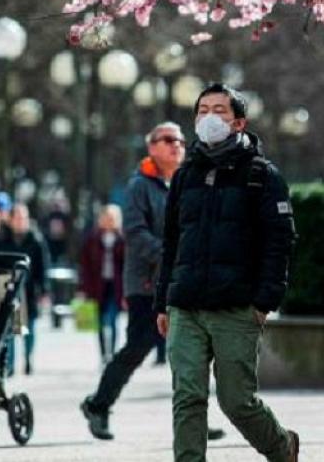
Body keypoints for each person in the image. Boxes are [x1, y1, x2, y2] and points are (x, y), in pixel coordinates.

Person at [155, 84, 300, 462]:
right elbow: (171, 242)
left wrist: (264, 301)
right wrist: (163, 302)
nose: (209, 117)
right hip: (185, 305)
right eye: (202, 110)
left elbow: (280, 241)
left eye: (219, 110)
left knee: (236, 401)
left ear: (239, 122)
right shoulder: (186, 175)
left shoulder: (262, 175)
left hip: (236, 307)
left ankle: (281, 447)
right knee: (188, 395)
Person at [80, 122, 225, 442]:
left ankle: (194, 419)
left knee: (188, 349)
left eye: (181, 141)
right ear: (152, 147)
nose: (177, 145)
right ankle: (98, 405)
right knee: (139, 346)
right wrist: (171, 255)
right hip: (147, 282)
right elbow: (134, 233)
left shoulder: (189, 182)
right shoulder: (139, 186)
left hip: (184, 280)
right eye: (168, 140)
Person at [0, 202, 49, 375]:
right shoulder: (2, 239)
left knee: (30, 328)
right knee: (10, 328)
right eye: (17, 218)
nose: (20, 221)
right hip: (9, 288)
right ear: (10, 220)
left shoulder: (36, 240)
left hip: (29, 289)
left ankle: (28, 359)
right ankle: (9, 365)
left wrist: (44, 290)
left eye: (23, 218)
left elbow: (43, 267)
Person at [78, 204, 126, 362]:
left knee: (112, 320)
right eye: (106, 218)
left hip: (116, 286)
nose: (108, 221)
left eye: (112, 218)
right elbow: (84, 266)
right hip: (97, 286)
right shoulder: (92, 239)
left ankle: (111, 353)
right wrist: (83, 288)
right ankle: (103, 354)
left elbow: (128, 265)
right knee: (99, 322)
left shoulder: (123, 239)